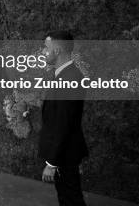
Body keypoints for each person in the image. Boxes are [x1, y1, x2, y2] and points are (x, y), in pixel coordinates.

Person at [39, 31, 88, 206]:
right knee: (67, 196)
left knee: (71, 199)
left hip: (65, 153)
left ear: (57, 50)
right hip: (64, 151)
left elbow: (63, 124)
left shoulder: (70, 79)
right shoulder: (63, 74)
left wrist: (51, 163)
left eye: (46, 47)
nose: (43, 52)